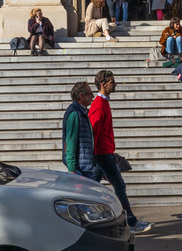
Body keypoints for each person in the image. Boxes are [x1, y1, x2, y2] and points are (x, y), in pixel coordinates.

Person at [89, 70, 151, 233]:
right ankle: (131, 222)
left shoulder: (102, 103)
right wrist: (95, 155)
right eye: (112, 82)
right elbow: (93, 132)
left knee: (90, 185)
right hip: (103, 154)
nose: (115, 84)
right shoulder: (99, 105)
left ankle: (87, 218)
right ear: (103, 84)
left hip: (103, 152)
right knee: (119, 186)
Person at [62, 81, 97, 179]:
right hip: (80, 170)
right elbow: (70, 143)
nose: (93, 96)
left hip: (85, 167)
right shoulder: (74, 113)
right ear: (81, 96)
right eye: (90, 94)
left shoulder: (82, 113)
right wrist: (72, 170)